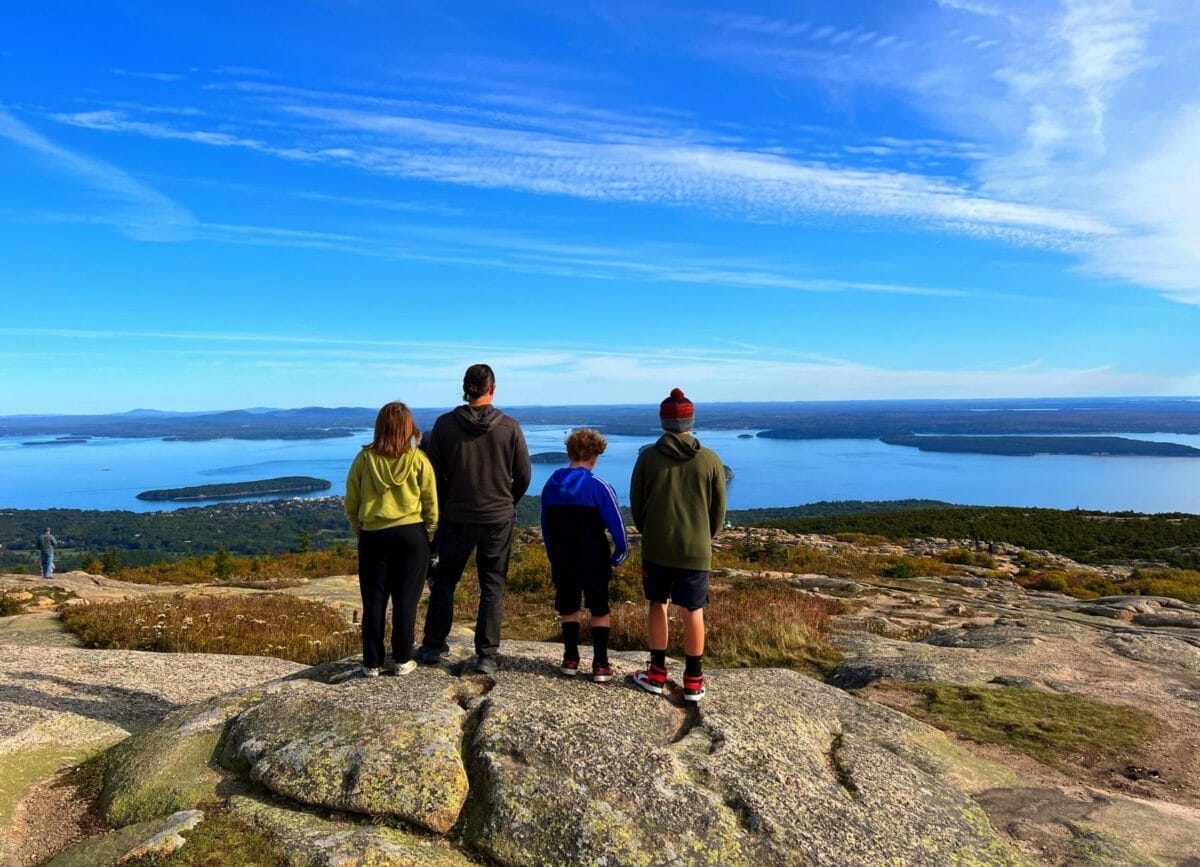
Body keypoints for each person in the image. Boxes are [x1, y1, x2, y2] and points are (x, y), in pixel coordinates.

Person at [416, 364, 532, 675]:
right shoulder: (509, 427)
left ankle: (432, 646)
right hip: (497, 518)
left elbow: (433, 475)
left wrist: (445, 504)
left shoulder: (444, 425)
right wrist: (507, 502)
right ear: (492, 389)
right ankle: (486, 656)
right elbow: (523, 476)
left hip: (456, 516)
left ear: (466, 388)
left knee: (445, 582)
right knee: (492, 584)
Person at [629, 388, 726, 702]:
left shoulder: (647, 458)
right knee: (693, 609)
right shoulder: (710, 460)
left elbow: (637, 506)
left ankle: (656, 674)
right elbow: (718, 513)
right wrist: (702, 536)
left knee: (658, 604)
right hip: (696, 549)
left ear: (662, 421)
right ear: (691, 420)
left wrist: (651, 532)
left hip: (657, 547)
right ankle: (694, 681)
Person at [345, 401, 438, 678]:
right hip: (412, 535)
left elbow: (352, 500)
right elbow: (431, 502)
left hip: (373, 535)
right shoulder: (418, 459)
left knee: (373, 601)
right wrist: (428, 533)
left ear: (380, 428)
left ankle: (371, 663)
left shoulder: (363, 460)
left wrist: (359, 529)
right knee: (406, 600)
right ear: (408, 428)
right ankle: (402, 659)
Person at [540, 428, 628, 682]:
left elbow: (545, 525)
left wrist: (552, 554)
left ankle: (570, 658)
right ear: (595, 456)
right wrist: (619, 554)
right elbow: (617, 526)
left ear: (570, 452)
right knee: (599, 609)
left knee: (568, 607)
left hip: (562, 557)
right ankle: (600, 664)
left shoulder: (551, 484)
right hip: (594, 557)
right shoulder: (598, 486)